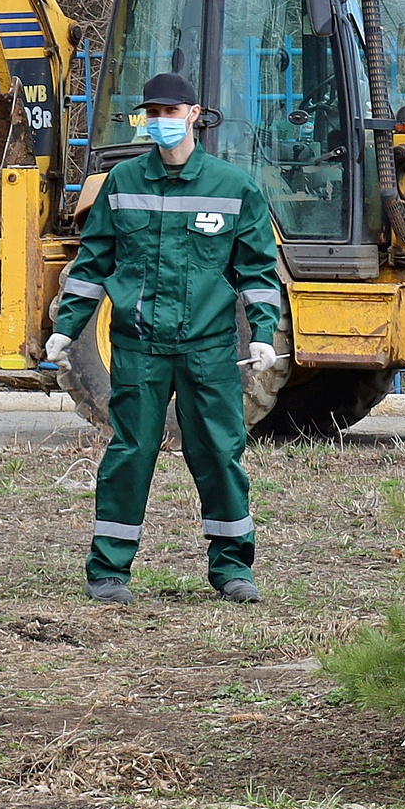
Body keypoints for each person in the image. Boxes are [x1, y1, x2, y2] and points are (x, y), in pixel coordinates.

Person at [44, 72, 284, 605]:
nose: (161, 122)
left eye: (171, 112)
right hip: (138, 348)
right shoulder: (122, 184)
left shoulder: (232, 187)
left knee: (220, 455)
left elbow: (259, 273)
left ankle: (231, 570)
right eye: (152, 113)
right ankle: (108, 572)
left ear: (194, 114)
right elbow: (92, 265)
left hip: (208, 351)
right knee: (130, 454)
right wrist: (66, 330)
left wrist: (263, 335)